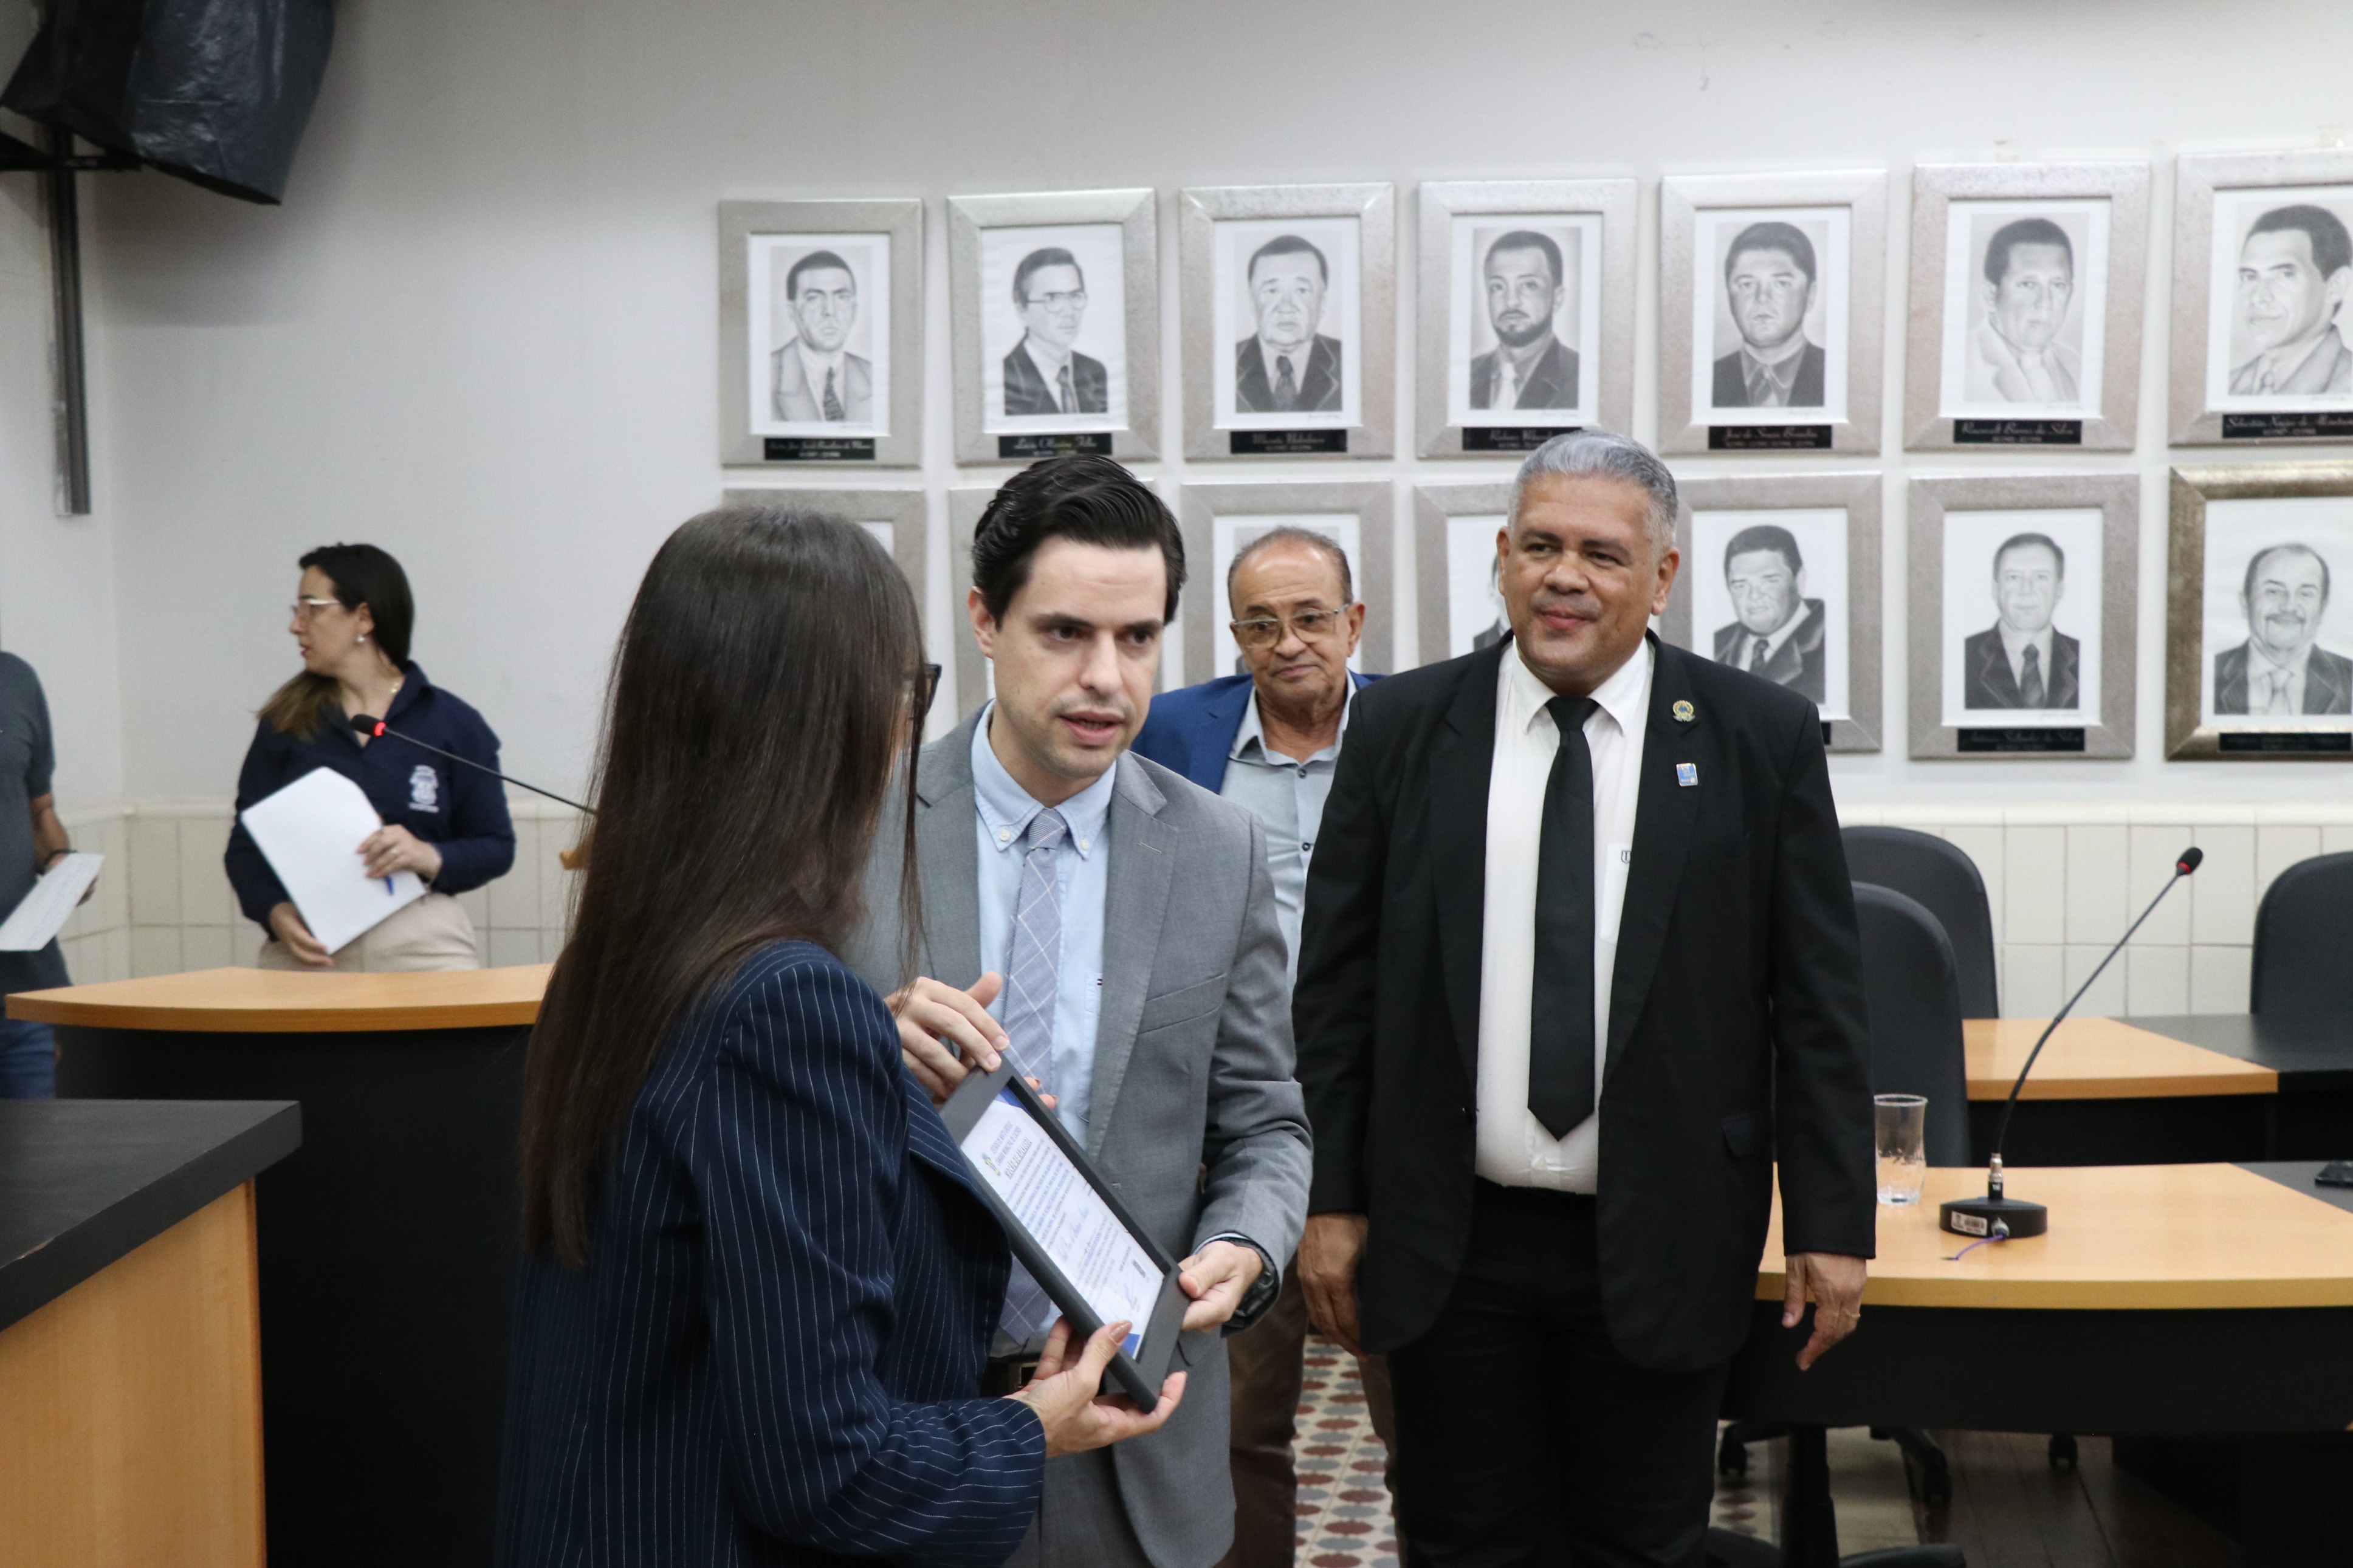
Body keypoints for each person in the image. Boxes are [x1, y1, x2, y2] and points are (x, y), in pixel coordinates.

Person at [498, 509, 1181, 1565]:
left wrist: (887, 1080)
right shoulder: (786, 1005)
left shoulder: (633, 952)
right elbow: (825, 1466)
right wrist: (1031, 1425)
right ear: (828, 717)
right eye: (906, 690)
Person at [1294, 431, 1874, 1566]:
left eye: (1602, 555)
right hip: (1451, 1241)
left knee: (1641, 1546)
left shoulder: (1755, 735)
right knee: (1459, 1545)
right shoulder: (1405, 728)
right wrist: (1332, 1198)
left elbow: (1817, 1002)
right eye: (1541, 546)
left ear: (1661, 577)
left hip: (1662, 1230)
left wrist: (1829, 1223)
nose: (1565, 577)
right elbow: (1337, 989)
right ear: (1502, 557)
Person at [847, 455, 1312, 1568]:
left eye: (1138, 638)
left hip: (1135, 1426)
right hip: (904, 1424)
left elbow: (1266, 1122)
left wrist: (1244, 1244)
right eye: (1064, 633)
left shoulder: (1220, 850)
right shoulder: (853, 827)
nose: (1106, 677)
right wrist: (860, 1037)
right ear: (985, 621)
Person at [1130, 528, 1394, 1568]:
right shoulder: (1166, 733)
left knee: (1429, 1424)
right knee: (1235, 1430)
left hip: (1388, 1129)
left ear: (1354, 622)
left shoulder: (1418, 731)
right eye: (1261, 624)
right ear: (1235, 635)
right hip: (1232, 1132)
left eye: (1311, 618)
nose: (1288, 643)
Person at [225, 544, 515, 971]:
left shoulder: (452, 723)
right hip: (311, 946)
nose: (295, 626)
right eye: (296, 610)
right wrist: (275, 912)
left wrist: (426, 855)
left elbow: (496, 846)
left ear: (363, 618)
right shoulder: (285, 721)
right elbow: (245, 845)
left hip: (420, 941)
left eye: (311, 609)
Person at [0, 654, 88, 1099]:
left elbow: (39, 810)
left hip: (27, 993)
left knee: (49, 1139)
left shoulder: (15, 679)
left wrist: (61, 863)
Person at [2214, 543, 2353, 715]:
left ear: (2322, 609)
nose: (2289, 607)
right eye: (2273, 591)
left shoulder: (2349, 677)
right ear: (2245, 603)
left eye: (2305, 594)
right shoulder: (2208, 673)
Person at [2229, 205, 2353, 397]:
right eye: (2250, 277)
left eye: (2285, 275)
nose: (2258, 297)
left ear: (2335, 287)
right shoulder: (2229, 385)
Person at [1711, 221, 1827, 409]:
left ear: (1810, 295)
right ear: (1729, 296)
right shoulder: (1706, 380)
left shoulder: (1838, 376)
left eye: (1781, 284)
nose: (1762, 298)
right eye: (1747, 284)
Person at [1966, 216, 2082, 405]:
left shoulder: (2076, 366)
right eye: (2028, 284)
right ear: (1990, 296)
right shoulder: (1960, 365)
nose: (2045, 303)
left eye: (2058, 285)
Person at [1961, 532, 2080, 711]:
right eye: (2014, 577)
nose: (2026, 590)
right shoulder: (1963, 657)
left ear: (2059, 590)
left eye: (2041, 577)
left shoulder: (2085, 657)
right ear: (1996, 590)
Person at [1710, 524, 1827, 704]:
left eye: (1770, 580)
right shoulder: (1716, 645)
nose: (1754, 596)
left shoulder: (1833, 645)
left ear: (1800, 581)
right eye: (1741, 585)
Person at [1470, 230, 1580, 413]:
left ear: (1557, 298)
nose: (1511, 301)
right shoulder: (1464, 376)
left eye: (1529, 285)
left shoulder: (1582, 378)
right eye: (1498, 287)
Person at [1235, 235, 1342, 415]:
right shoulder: (1223, 364)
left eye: (1302, 290)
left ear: (1322, 302)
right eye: (1272, 291)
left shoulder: (1351, 362)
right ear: (1251, 302)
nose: (1286, 307)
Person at [1005, 247, 1110, 416]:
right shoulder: (1004, 379)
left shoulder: (1095, 373)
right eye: (1053, 299)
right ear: (1022, 310)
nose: (1069, 312)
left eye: (1075, 296)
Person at [771, 248, 873, 422]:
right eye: (814, 298)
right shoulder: (764, 376)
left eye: (842, 297)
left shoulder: (875, 376)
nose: (830, 311)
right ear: (792, 310)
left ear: (854, 309)